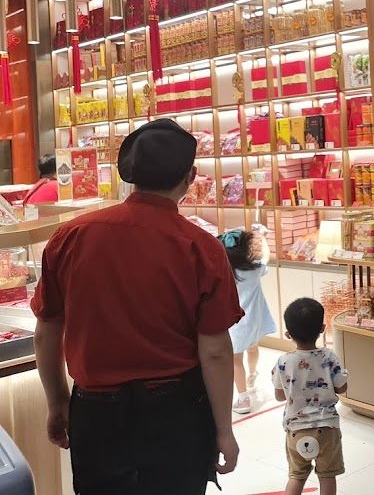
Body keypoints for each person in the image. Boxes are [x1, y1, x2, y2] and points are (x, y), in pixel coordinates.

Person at [31, 119, 243, 494]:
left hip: (95, 411)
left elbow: (47, 331)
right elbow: (214, 352)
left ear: (129, 174)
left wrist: (58, 403)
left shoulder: (71, 237)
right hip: (175, 411)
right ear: (190, 176)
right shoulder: (201, 248)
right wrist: (224, 430)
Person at [273, 298, 348, 495]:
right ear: (322, 328)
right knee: (327, 476)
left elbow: (279, 396)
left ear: (288, 333)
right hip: (326, 428)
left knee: (296, 476)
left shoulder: (283, 362)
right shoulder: (330, 357)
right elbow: (342, 387)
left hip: (295, 429)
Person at [219, 227, 276, 415]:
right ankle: (252, 374)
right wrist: (264, 238)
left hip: (237, 322)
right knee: (253, 347)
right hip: (255, 319)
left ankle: (243, 398)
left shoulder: (225, 272)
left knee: (236, 359)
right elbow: (266, 256)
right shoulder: (255, 269)